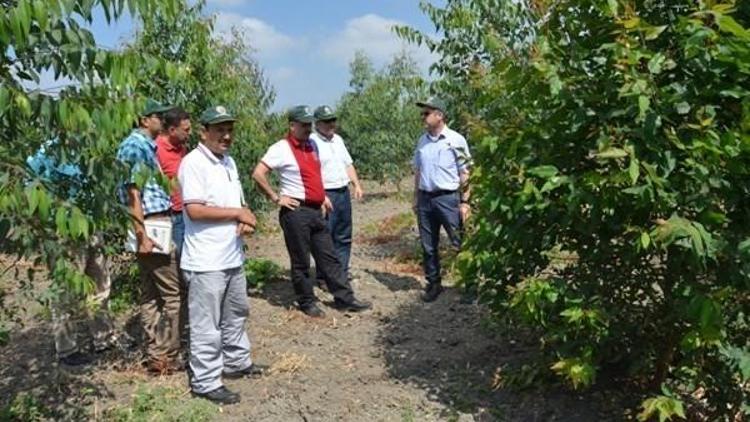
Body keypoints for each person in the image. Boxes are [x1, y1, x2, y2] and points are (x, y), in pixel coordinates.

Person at [252, 105, 371, 317]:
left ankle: (345, 298)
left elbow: (314, 175)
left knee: (329, 256)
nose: (308, 128)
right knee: (301, 260)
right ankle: (306, 301)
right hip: (296, 212)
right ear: (292, 125)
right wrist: (276, 197)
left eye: (309, 124)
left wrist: (322, 197)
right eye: (304, 124)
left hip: (316, 210)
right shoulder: (281, 148)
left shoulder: (311, 146)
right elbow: (258, 174)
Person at [178, 105, 261, 405]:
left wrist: (243, 220)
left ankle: (238, 362)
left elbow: (234, 203)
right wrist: (238, 212)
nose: (226, 136)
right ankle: (206, 381)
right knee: (206, 325)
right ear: (204, 132)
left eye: (229, 130)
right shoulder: (193, 163)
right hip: (206, 261)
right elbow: (195, 210)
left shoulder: (229, 162)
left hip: (231, 256)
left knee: (236, 313)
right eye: (219, 130)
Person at [27, 141, 116, 366]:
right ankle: (66, 348)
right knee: (65, 291)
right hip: (63, 230)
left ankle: (103, 338)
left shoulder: (87, 149)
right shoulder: (43, 154)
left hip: (93, 225)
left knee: (100, 283)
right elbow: (30, 193)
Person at [116, 99, 183, 373]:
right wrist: (142, 234)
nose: (163, 121)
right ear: (145, 120)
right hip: (153, 224)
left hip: (151, 223)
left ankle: (156, 353)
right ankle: (167, 354)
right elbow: (134, 193)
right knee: (172, 294)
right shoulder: (136, 145)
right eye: (158, 117)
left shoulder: (145, 145)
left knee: (152, 292)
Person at [412, 97, 472, 303]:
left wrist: (465, 202)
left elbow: (465, 173)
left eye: (426, 113)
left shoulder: (456, 140)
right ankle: (434, 283)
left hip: (448, 199)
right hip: (425, 199)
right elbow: (419, 171)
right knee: (428, 245)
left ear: (440, 115)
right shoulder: (422, 141)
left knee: (459, 242)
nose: (423, 117)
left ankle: (470, 285)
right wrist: (415, 198)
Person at [310, 105, 363, 280]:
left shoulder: (338, 140)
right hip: (326, 194)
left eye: (332, 120)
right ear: (317, 123)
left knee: (344, 235)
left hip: (342, 192)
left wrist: (356, 184)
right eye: (326, 121)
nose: (331, 124)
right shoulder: (312, 142)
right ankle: (324, 276)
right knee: (325, 237)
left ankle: (341, 273)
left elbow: (348, 164)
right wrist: (321, 196)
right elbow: (312, 172)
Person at [155, 107, 191, 257]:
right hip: (173, 215)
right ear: (172, 130)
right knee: (179, 258)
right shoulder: (156, 149)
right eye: (186, 130)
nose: (190, 133)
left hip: (187, 211)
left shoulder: (182, 148)